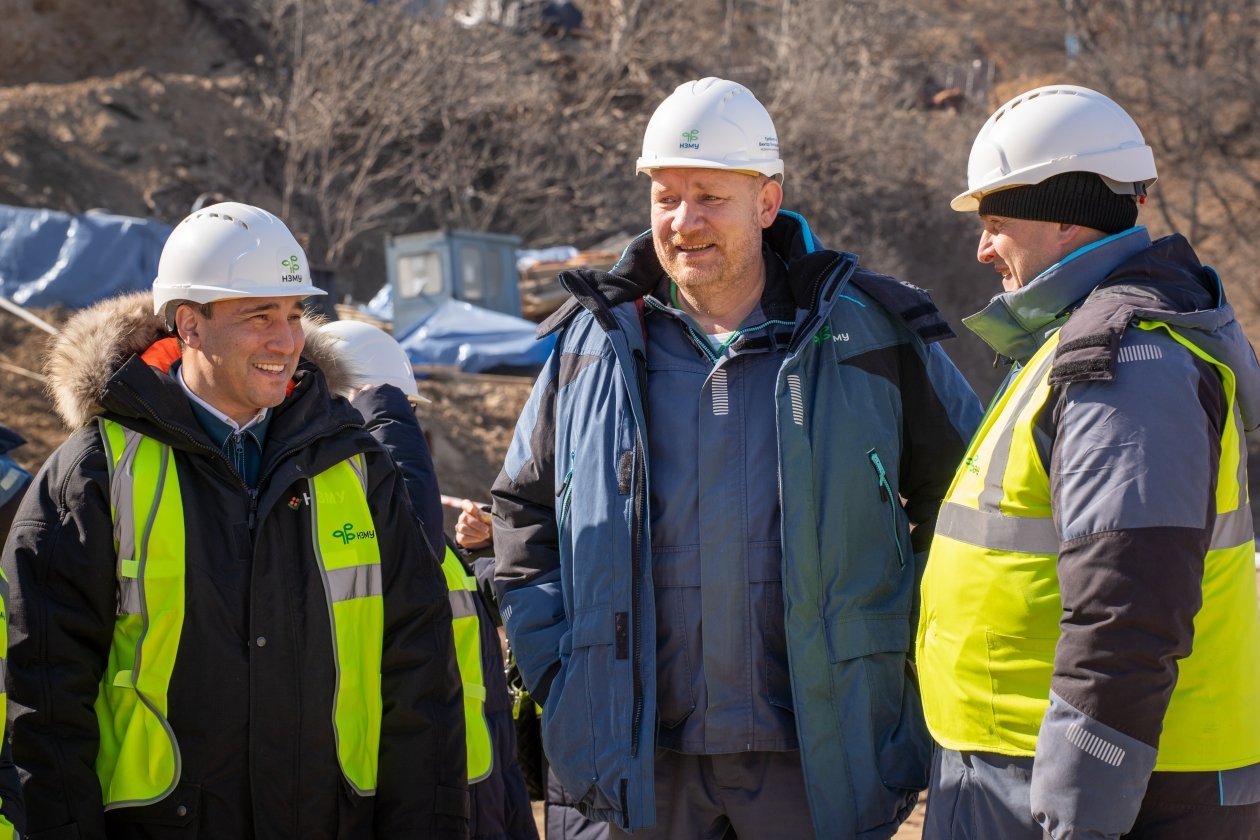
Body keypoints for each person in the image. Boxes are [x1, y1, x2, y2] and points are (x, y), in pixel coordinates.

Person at [491, 77, 982, 838]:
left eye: (709, 197)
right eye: (665, 196)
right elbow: (523, 512)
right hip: (636, 764)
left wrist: (903, 663)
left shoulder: (871, 336)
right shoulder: (591, 345)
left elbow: (968, 504)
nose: (683, 221)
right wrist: (562, 667)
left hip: (817, 761)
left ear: (766, 202)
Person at [2, 202, 468, 839]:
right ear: (190, 326)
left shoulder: (357, 467)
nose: (286, 340)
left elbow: (419, 676)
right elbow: (44, 698)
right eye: (258, 317)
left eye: (294, 315)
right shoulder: (92, 475)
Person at [916, 84, 1260, 839]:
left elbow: (1128, 601)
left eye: (995, 222)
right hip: (1040, 773)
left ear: (1066, 215)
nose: (982, 247)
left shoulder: (1130, 358)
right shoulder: (1084, 339)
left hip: (1104, 791)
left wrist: (1080, 809)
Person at [319, 319, 540, 840]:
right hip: (428, 792)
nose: (411, 426)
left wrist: (482, 552)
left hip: (477, 787)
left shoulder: (423, 538)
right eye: (401, 410)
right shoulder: (341, 525)